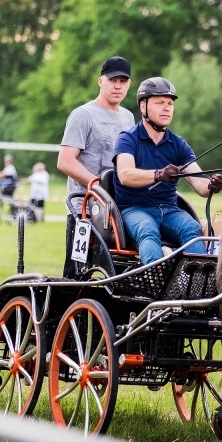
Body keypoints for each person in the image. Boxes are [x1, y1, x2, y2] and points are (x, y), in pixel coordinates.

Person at [112, 77, 222, 264]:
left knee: (192, 229)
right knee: (148, 230)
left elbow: (200, 184)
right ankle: (154, 282)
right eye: (159, 103)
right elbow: (125, 175)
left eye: (170, 103)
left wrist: (213, 185)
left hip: (169, 210)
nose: (167, 108)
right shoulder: (128, 139)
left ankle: (194, 284)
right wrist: (158, 174)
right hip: (134, 209)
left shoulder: (178, 144)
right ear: (143, 106)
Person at [57, 55, 135, 277]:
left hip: (116, 212)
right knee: (77, 276)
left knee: (119, 276)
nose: (118, 86)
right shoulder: (84, 115)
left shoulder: (128, 118)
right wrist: (96, 183)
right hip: (84, 211)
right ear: (101, 81)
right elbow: (65, 161)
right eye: (113, 80)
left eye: (123, 81)